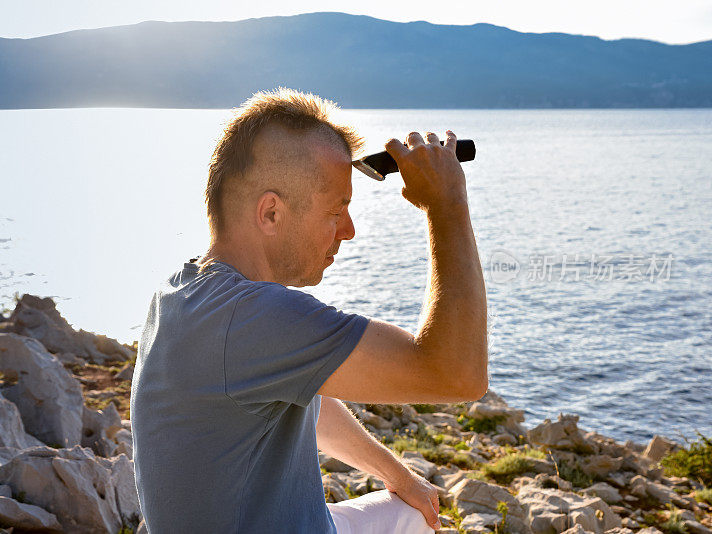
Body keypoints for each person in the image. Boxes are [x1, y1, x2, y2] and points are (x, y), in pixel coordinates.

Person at [130, 87, 487, 533]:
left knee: (411, 510)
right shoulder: (252, 318)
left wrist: (399, 477)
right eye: (337, 210)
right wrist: (447, 204)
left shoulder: (182, 293)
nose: (350, 230)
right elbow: (458, 375)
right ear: (271, 214)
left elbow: (310, 394)